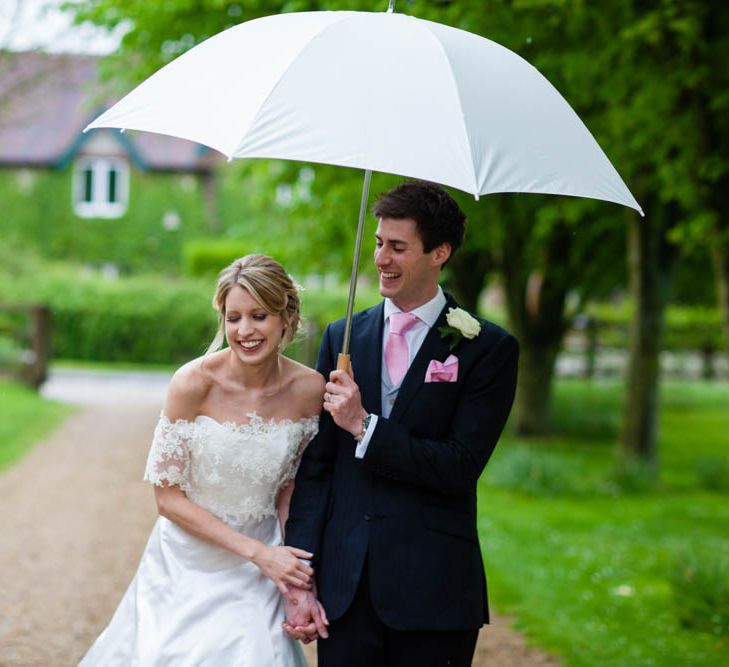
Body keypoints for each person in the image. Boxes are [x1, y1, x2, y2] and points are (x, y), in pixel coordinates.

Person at [283, 181, 519, 666]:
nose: (381, 259)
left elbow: (459, 465)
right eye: (377, 243)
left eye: (397, 247)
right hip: (345, 589)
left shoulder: (486, 349)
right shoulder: (342, 335)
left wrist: (364, 425)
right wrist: (300, 580)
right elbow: (317, 468)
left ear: (440, 253)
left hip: (434, 590)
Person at [78, 254, 326, 667]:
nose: (244, 331)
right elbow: (168, 499)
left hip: (263, 564)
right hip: (186, 560)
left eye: (259, 316)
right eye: (233, 318)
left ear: (287, 316)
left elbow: (289, 488)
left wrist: (295, 581)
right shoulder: (193, 384)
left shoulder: (309, 389)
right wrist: (257, 553)